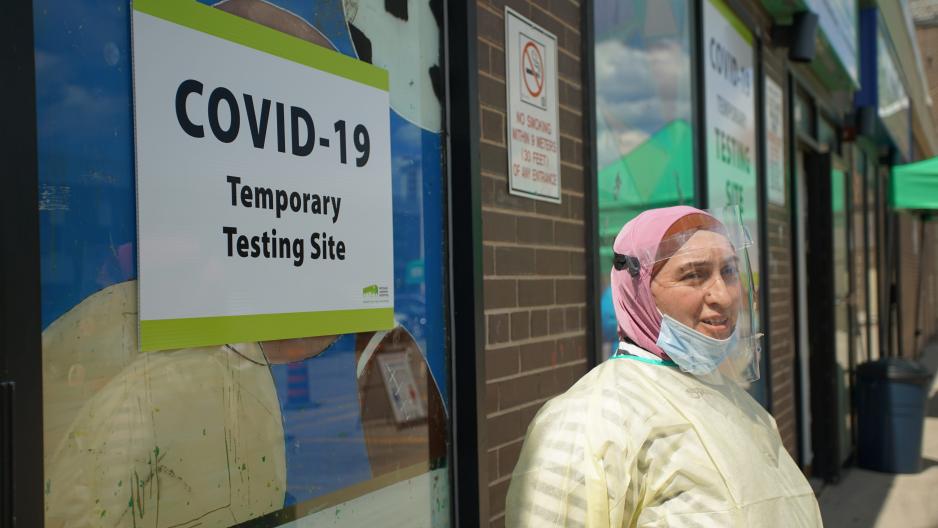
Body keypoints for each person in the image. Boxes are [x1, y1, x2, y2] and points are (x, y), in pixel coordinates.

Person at [505, 205, 822, 527]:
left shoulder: (735, 399)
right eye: (694, 275)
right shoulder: (590, 418)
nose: (723, 296)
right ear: (638, 289)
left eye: (728, 271)